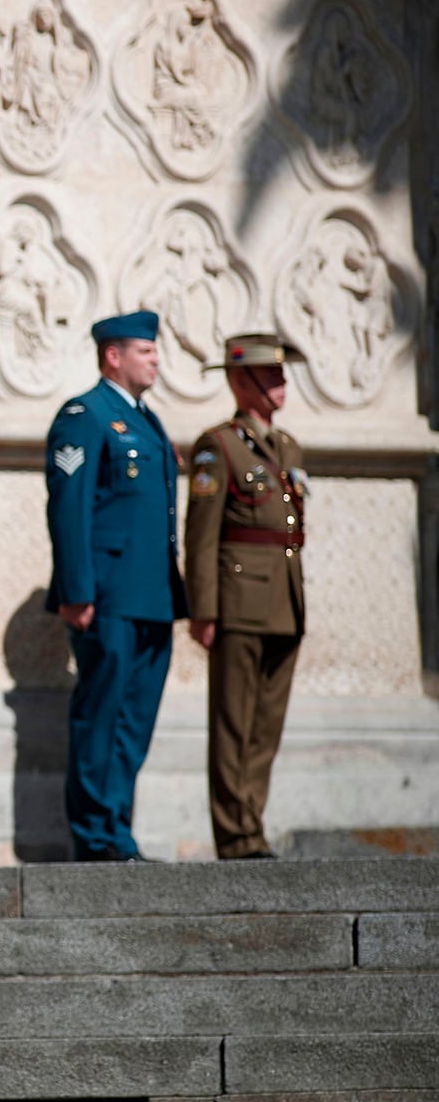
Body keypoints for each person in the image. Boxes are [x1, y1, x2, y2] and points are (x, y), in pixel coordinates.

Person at [45, 311, 187, 862]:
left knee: (134, 721)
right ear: (114, 356)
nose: (155, 360)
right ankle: (96, 835)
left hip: (152, 595)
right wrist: (76, 591)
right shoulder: (86, 415)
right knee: (102, 715)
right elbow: (70, 508)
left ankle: (118, 828)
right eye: (145, 351)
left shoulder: (146, 420)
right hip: (106, 597)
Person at [185, 335, 308, 860]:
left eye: (281, 376)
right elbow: (202, 535)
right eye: (270, 376)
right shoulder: (219, 446)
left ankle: (252, 823)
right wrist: (204, 609)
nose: (281, 386)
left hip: (283, 600)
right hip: (238, 602)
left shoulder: (287, 448)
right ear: (241, 381)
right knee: (233, 722)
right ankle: (235, 836)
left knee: (265, 726)